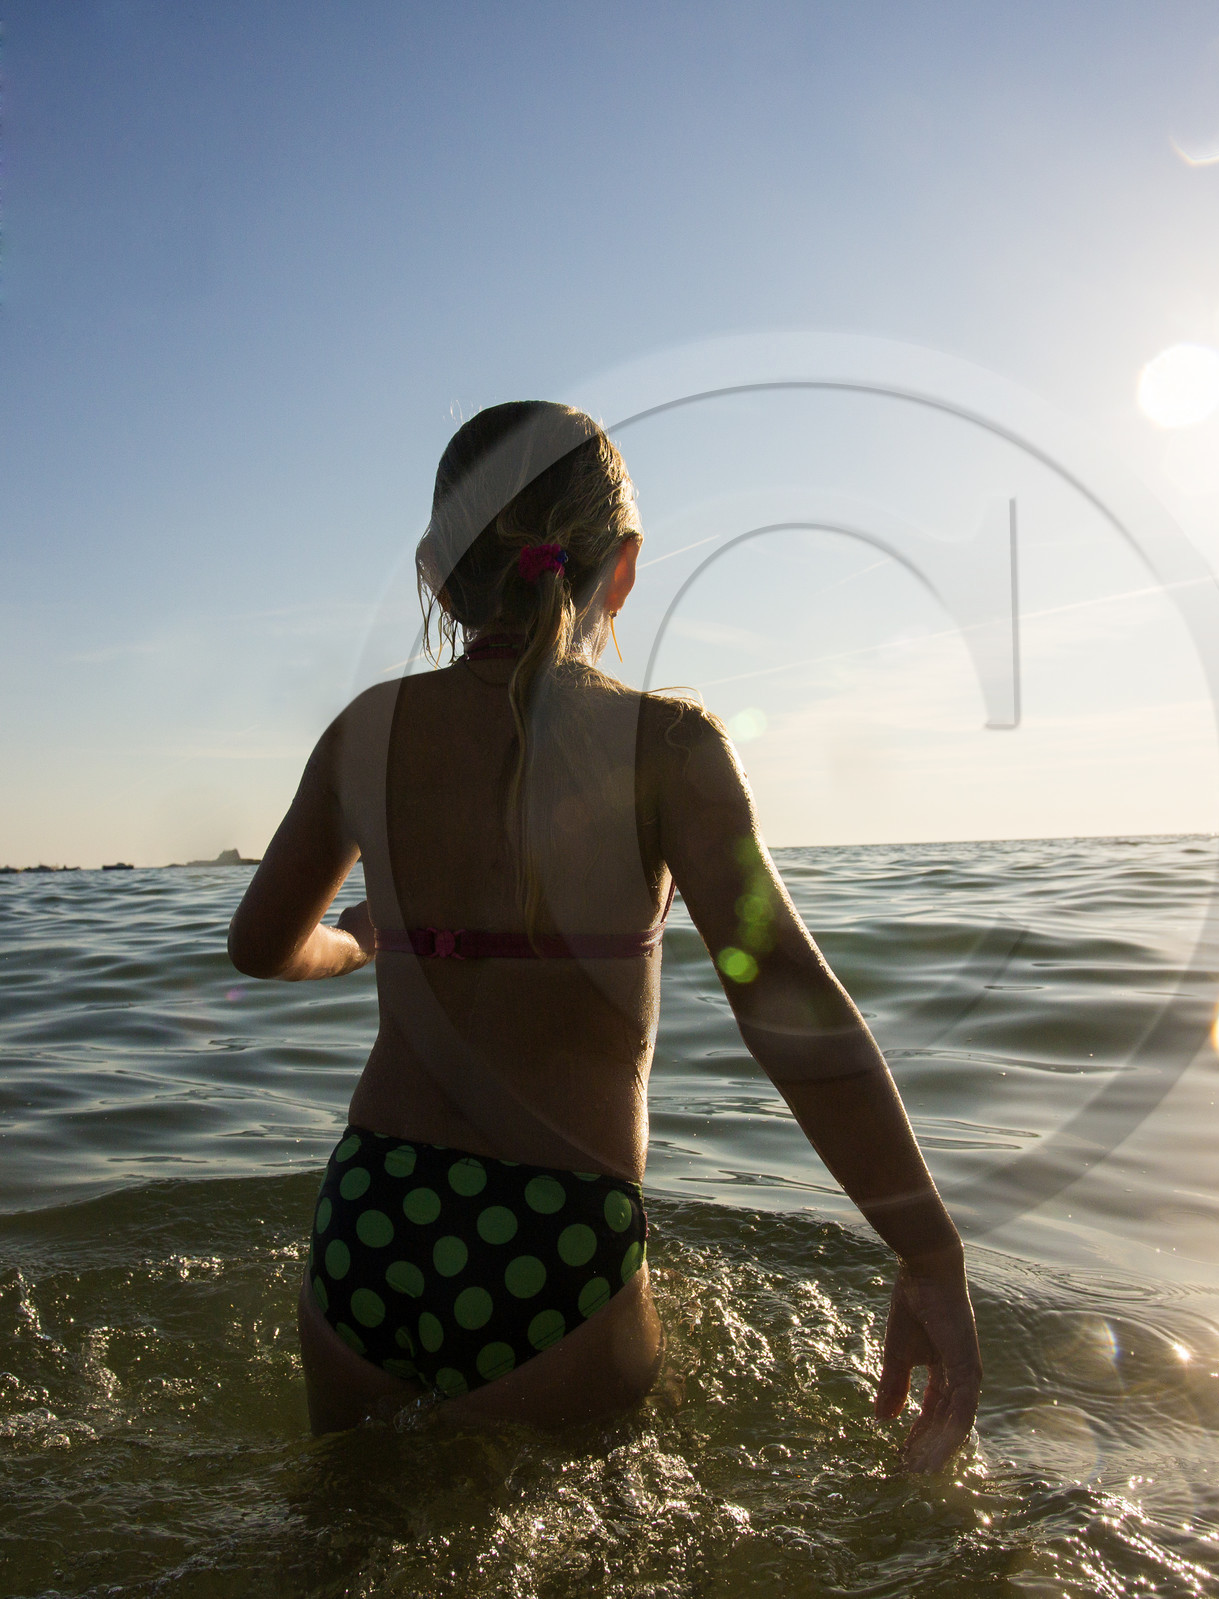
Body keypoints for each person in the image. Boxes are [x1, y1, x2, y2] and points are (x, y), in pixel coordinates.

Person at [228, 402, 981, 1469]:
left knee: (340, 1542)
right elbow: (786, 1003)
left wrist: (358, 939)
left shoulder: (367, 729)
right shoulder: (671, 748)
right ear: (620, 569)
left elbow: (258, 949)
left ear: (438, 575)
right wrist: (928, 1253)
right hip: (557, 1241)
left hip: (372, 1216)